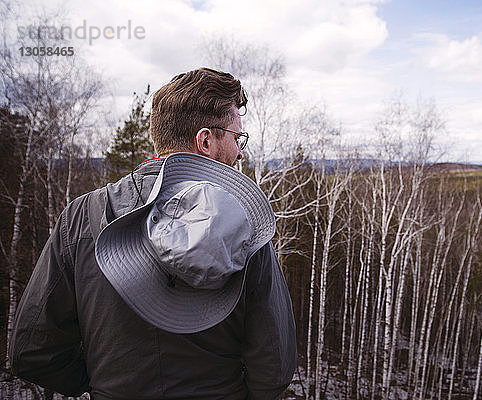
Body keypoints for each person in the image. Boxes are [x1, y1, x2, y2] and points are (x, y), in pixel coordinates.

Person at [9, 68, 297, 400]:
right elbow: (274, 366)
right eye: (237, 138)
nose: (240, 152)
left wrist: (103, 385)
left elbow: (33, 352)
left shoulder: (80, 217)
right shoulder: (245, 227)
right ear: (206, 141)